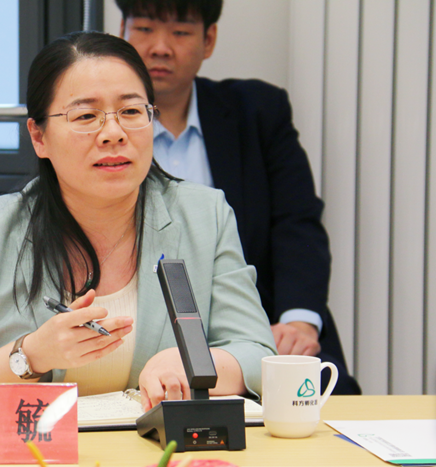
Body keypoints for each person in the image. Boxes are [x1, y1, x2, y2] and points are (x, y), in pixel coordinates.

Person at [0, 31, 276, 410]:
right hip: (35, 443)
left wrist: (194, 364)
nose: (113, 134)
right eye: (86, 116)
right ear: (39, 137)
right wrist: (31, 355)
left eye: (131, 112)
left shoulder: (205, 215)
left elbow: (257, 355)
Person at [115, 0, 360, 394]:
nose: (160, 47)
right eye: (144, 29)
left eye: (180, 32)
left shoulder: (258, 112)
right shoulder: (103, 132)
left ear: (209, 39)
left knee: (331, 393)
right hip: (142, 336)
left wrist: (298, 322)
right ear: (122, 32)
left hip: (254, 322)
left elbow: (296, 222)